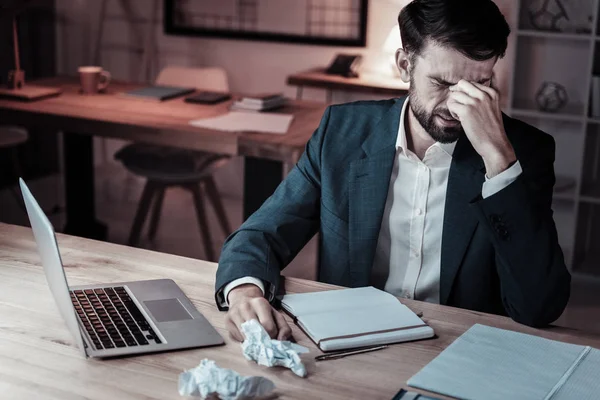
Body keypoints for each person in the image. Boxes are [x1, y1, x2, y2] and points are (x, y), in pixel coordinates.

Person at [215, 0, 571, 342]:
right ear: (404, 66)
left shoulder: (523, 151)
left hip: (460, 347)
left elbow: (539, 306)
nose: (457, 106)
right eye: (443, 84)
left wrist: (499, 161)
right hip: (349, 343)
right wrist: (245, 292)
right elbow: (261, 234)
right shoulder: (341, 133)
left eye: (478, 86)